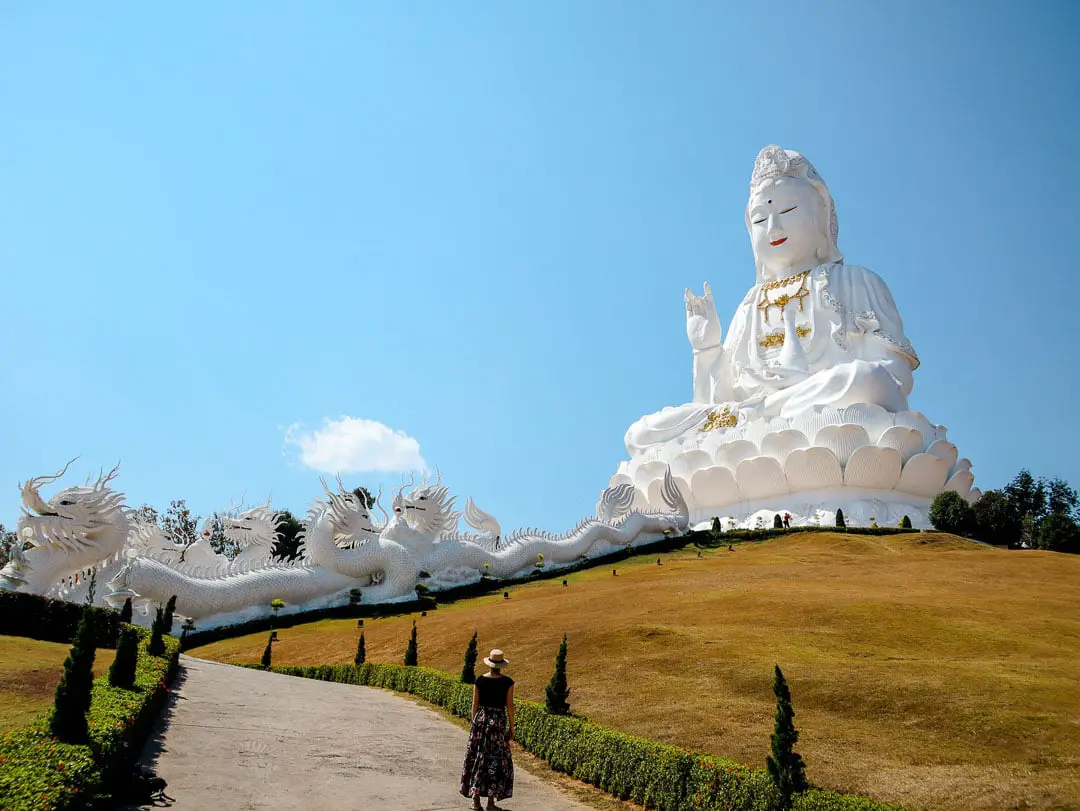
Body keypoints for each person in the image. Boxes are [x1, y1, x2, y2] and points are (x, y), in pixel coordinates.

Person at [460, 649, 515, 810]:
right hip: (497, 724)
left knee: (478, 759)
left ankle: (475, 801)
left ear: (490, 664)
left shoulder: (480, 681)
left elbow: (474, 705)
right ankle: (491, 802)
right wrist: (512, 727)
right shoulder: (508, 683)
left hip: (482, 722)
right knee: (494, 761)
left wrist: (474, 721)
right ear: (501, 665)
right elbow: (510, 707)